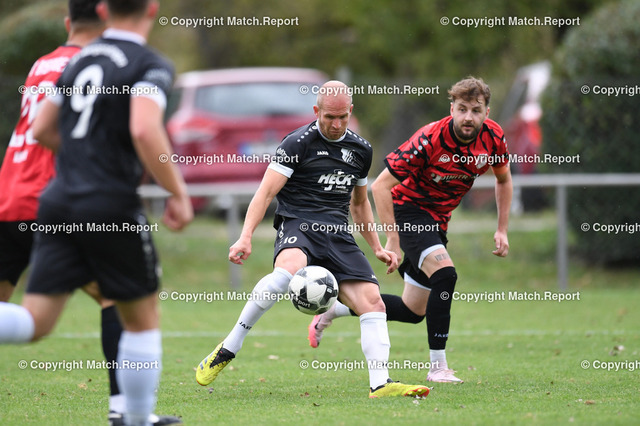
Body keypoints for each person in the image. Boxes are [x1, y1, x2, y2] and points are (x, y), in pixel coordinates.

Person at [0, 0, 193, 425]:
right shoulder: (148, 63)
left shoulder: (76, 60)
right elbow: (144, 128)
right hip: (105, 203)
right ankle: (132, 417)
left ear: (105, 10)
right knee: (139, 314)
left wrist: (82, 156)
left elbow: (42, 128)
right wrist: (177, 192)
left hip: (53, 200)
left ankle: (129, 414)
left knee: (35, 320)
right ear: (152, 8)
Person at [195, 81, 430, 398]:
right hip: (299, 224)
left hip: (338, 233)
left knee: (373, 302)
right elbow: (265, 193)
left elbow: (360, 203)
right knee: (286, 272)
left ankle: (380, 384)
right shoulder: (296, 143)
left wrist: (376, 246)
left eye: (343, 117)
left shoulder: (361, 149)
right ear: (316, 110)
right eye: (329, 117)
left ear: (350, 112)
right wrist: (245, 237)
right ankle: (229, 347)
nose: (336, 124)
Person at [309, 77, 512, 384]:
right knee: (445, 274)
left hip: (438, 221)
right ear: (452, 109)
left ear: (487, 112)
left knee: (413, 310)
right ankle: (438, 367)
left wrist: (502, 229)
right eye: (462, 109)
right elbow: (380, 186)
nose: (468, 117)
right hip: (408, 211)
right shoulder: (430, 138)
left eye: (476, 110)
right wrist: (392, 238)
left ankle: (335, 309)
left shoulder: (493, 137)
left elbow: (503, 179)